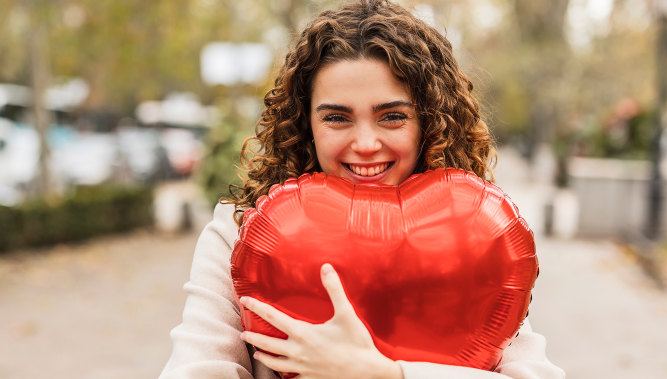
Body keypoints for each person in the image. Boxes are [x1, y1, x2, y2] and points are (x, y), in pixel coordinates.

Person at [160, 1, 565, 378]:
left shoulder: (473, 236)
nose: (366, 143)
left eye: (391, 116)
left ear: (428, 123)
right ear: (306, 125)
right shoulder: (240, 230)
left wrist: (385, 373)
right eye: (337, 117)